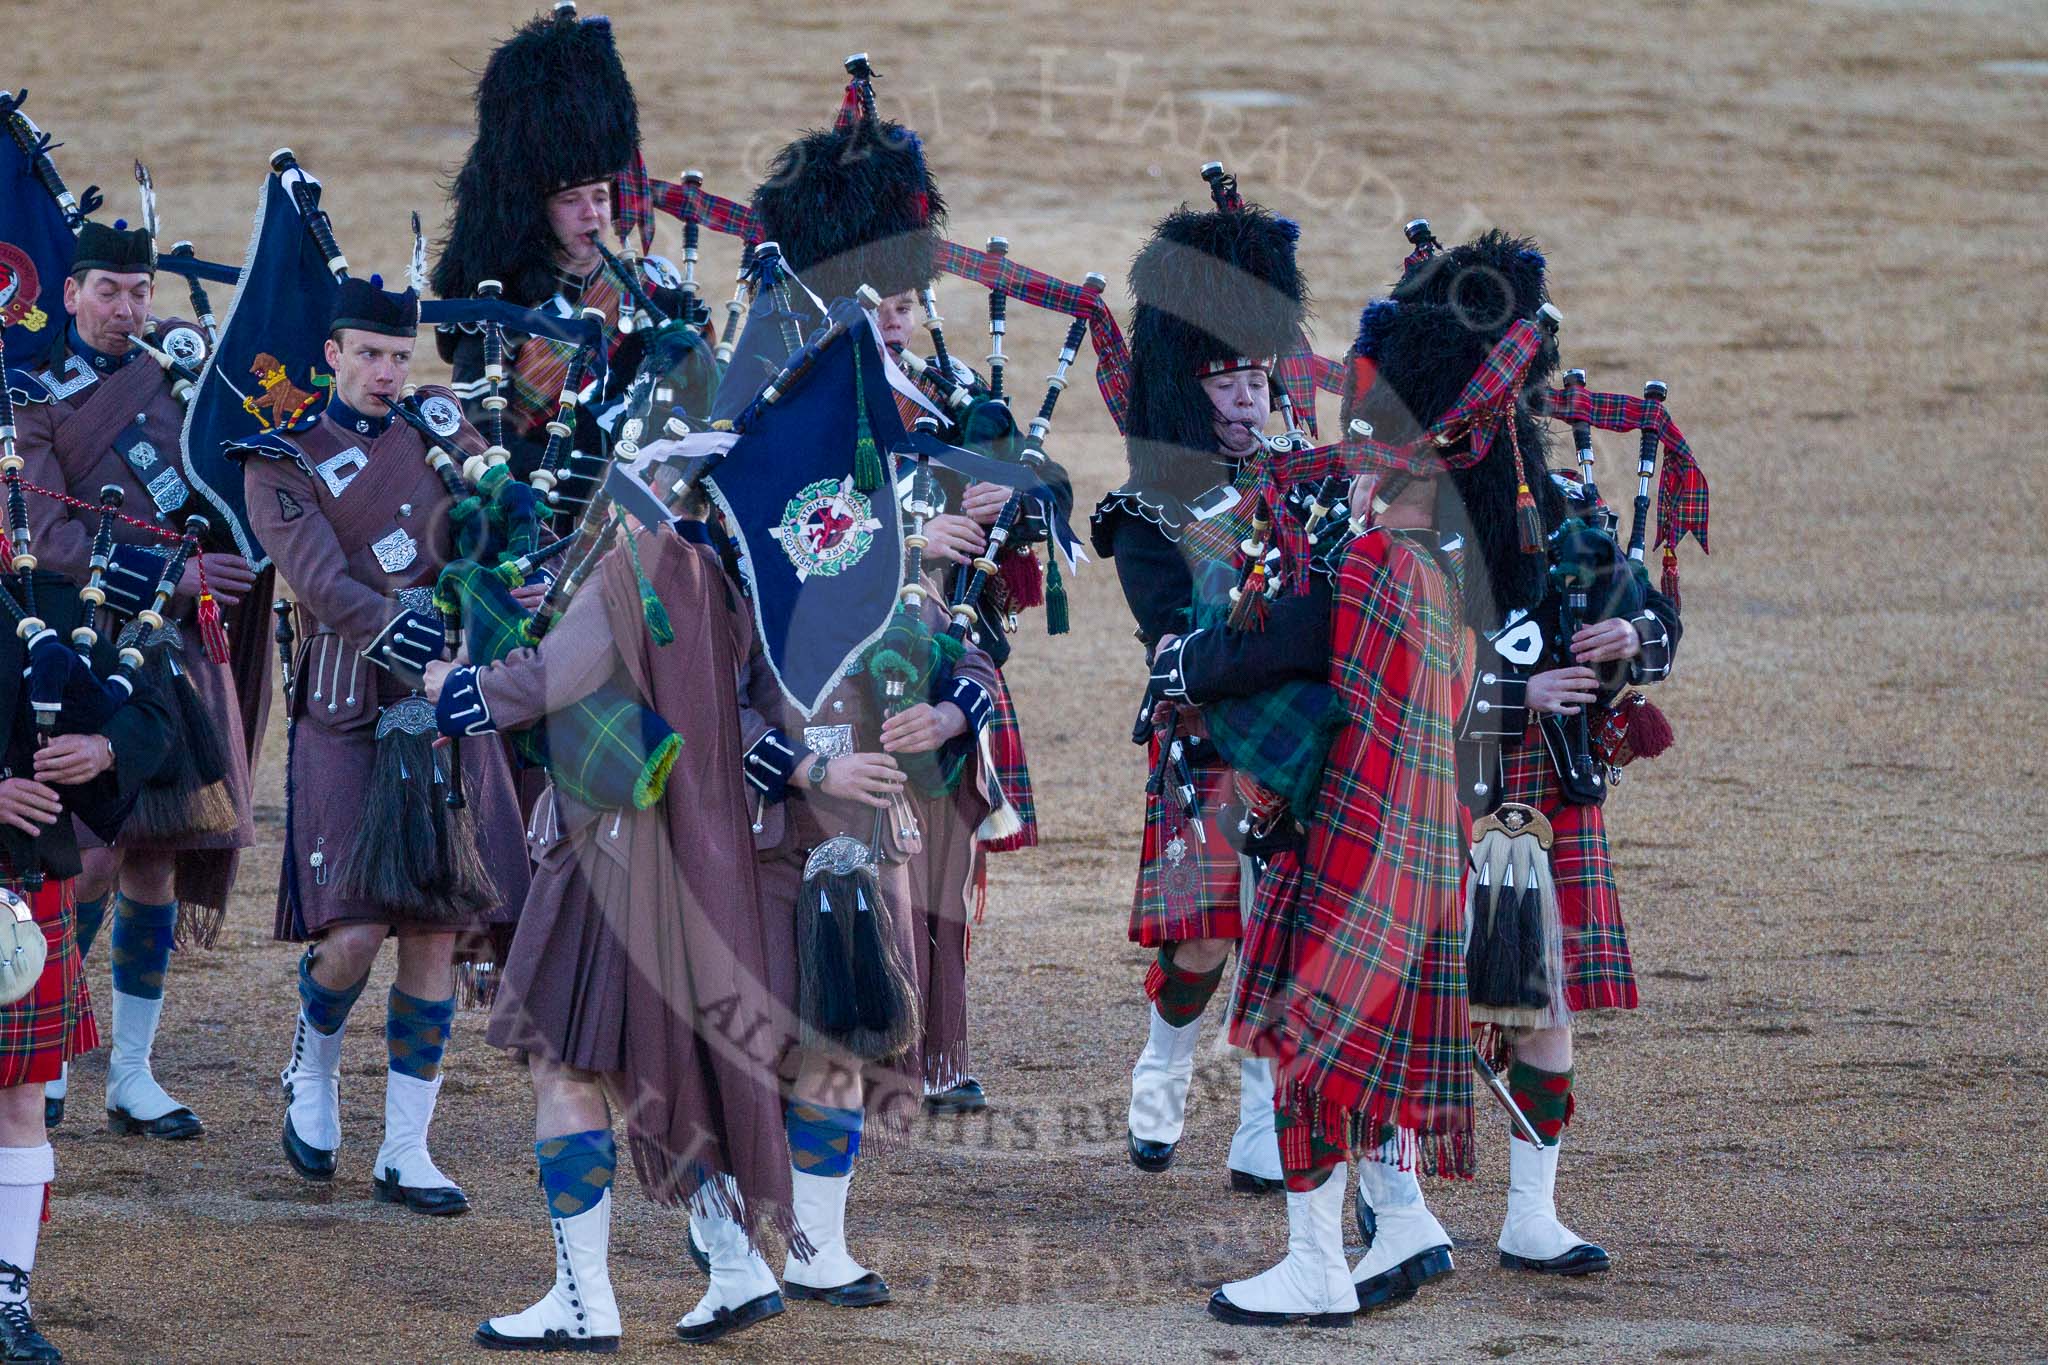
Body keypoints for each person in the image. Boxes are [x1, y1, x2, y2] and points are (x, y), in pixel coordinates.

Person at [1209, 231, 1579, 1325]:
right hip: (1422, 850)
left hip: (1356, 846)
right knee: (1337, 1056)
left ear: (1405, 455)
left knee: (1304, 1052)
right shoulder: (1437, 571)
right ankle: (1397, 1226)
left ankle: (1316, 1267)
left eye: (1368, 438)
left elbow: (1336, 718)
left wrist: (1267, 779)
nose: (1352, 454)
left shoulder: (1374, 565)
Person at [426, 519, 798, 1351]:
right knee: (639, 1063)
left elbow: (556, 675)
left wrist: (458, 687)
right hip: (680, 849)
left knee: (562, 1061)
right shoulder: (717, 569)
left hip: (606, 843)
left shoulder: (635, 564)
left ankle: (583, 1299)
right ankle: (736, 1263)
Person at [239, 274, 532, 1217]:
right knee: (356, 928)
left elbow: (492, 535)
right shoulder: (279, 458)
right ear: (331, 355)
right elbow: (322, 583)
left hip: (444, 704)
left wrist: (507, 588)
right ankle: (312, 1062)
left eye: (401, 356)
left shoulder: (442, 431)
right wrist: (415, 631)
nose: (387, 372)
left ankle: (406, 1147)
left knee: (437, 924)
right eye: (369, 353)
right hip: (349, 706)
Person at [10, 217, 264, 1138]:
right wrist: (173, 573)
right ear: (70, 294)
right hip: (68, 641)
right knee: (81, 852)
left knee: (158, 850)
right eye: (108, 292)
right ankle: (46, 1049)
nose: (126, 309)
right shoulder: (28, 397)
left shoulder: (188, 384)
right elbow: (44, 538)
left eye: (139, 292)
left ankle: (132, 1068)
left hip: (176, 650)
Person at [1088, 175, 1313, 1193]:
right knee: (1206, 944)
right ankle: (1166, 1056)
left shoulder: (1309, 475)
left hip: (1301, 748)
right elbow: (1172, 637)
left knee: (1286, 935)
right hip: (1206, 742)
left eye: (1257, 380)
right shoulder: (1149, 511)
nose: (1245, 400)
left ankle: (1263, 1124)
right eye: (1222, 382)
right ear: (1188, 385)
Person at [0, 468, 176, 1360]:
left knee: (20, 1098)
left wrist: (102, 742)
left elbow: (157, 712)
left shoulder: (51, 598)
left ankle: (7, 1301)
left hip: (21, 884)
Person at [430, 6, 692, 483]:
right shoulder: (495, 319)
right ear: (535, 209)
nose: (592, 213)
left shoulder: (649, 294)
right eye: (570, 199)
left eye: (599, 196)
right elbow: (482, 446)